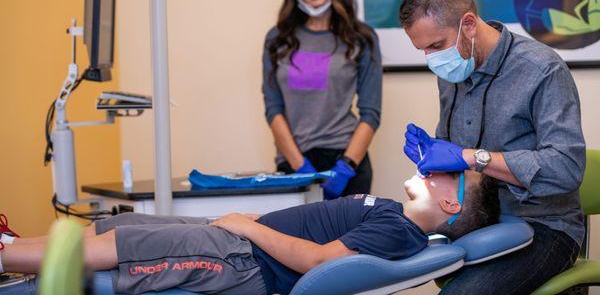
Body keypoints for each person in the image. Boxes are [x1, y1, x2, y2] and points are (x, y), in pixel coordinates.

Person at [0, 171, 498, 295]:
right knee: (124, 225)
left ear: (450, 202)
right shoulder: (394, 213)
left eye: (445, 170)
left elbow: (320, 263)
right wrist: (248, 226)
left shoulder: (399, 231)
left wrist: (247, 228)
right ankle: (11, 248)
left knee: (121, 249)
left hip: (246, 261)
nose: (432, 164)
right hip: (243, 243)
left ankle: (6, 258)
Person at [399, 0, 586, 294]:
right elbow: (454, 158)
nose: (432, 59)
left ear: (468, 24)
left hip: (546, 226)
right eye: (423, 50)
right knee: (384, 250)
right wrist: (431, 153)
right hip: (479, 224)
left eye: (436, 45)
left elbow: (567, 168)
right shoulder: (453, 71)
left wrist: (473, 158)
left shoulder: (542, 69)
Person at [262, 0, 382, 199]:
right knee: (294, 238)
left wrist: (346, 168)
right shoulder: (276, 40)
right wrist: (301, 168)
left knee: (347, 238)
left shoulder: (362, 38)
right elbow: (273, 109)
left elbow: (371, 113)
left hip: (346, 162)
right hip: (294, 164)